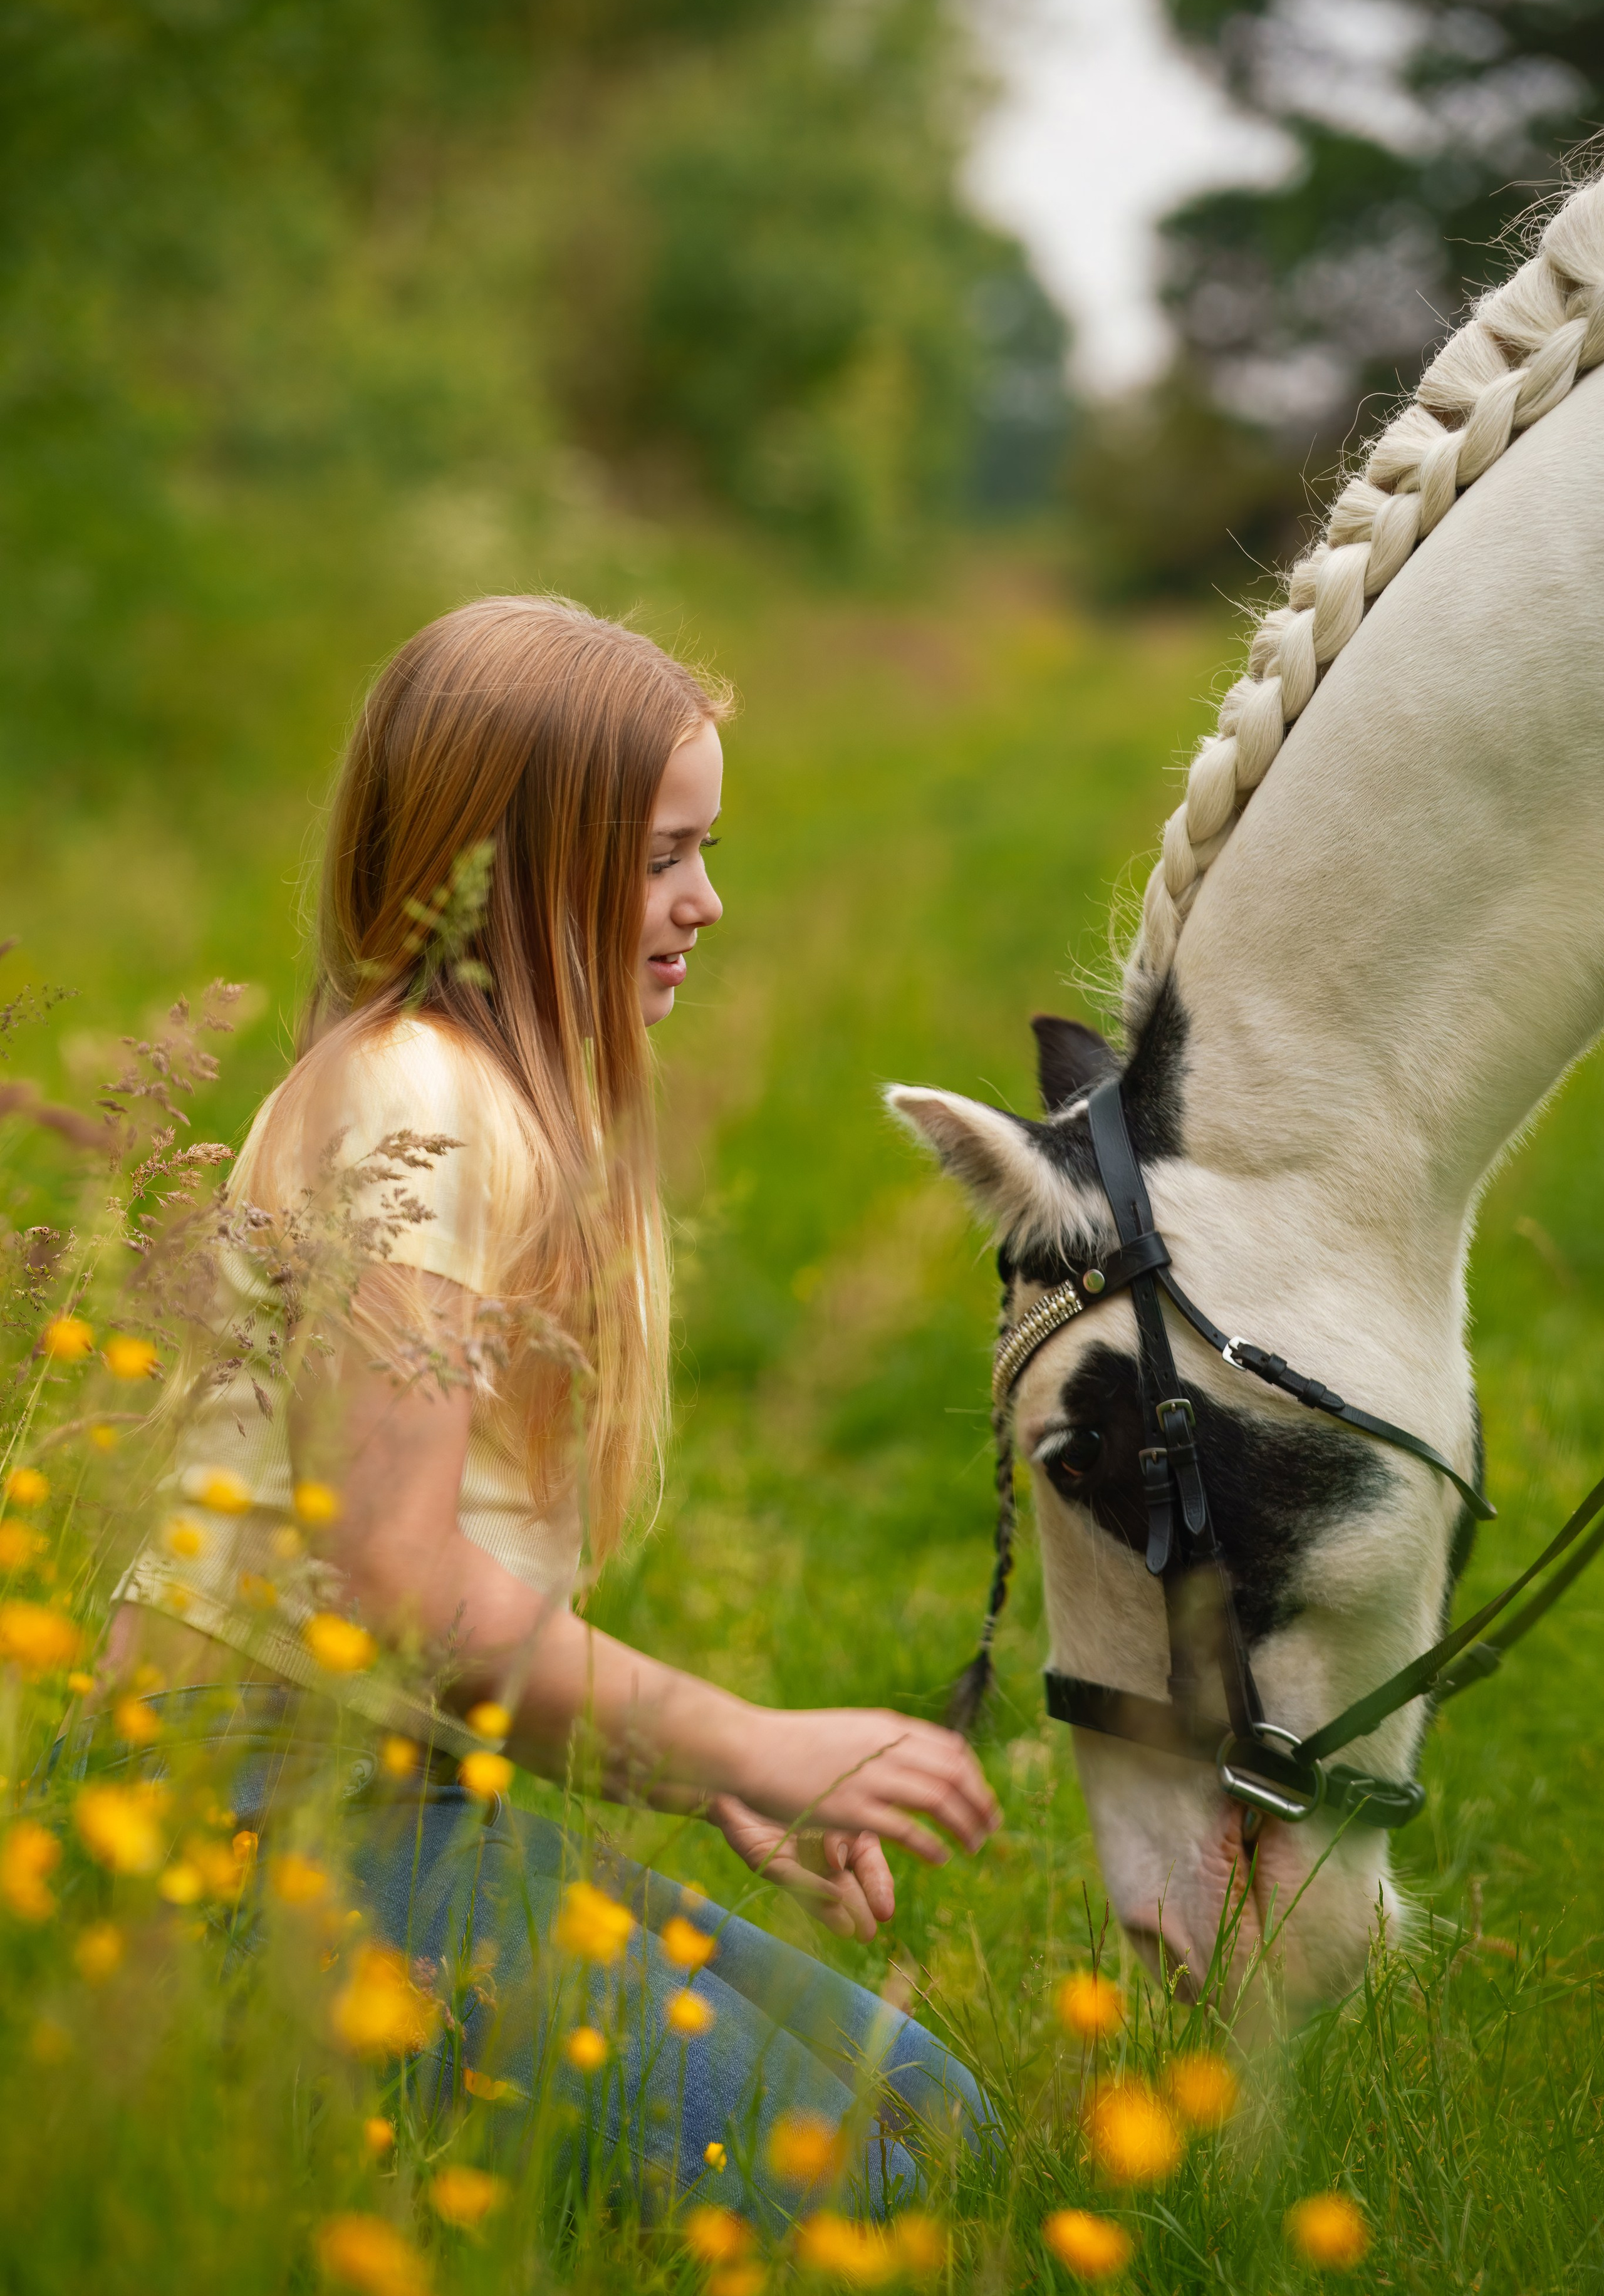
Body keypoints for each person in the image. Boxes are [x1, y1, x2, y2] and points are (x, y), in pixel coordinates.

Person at [93, 595, 999, 2223]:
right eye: (663, 856)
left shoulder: (500, 1105)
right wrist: (749, 1732)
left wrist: (682, 1771)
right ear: (511, 865)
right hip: (252, 1808)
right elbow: (387, 1571)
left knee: (942, 2126)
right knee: (866, 2194)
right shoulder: (415, 1101)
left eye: (706, 849)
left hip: (423, 1787)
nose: (707, 902)